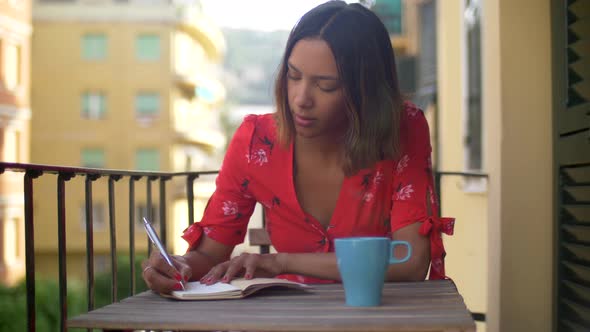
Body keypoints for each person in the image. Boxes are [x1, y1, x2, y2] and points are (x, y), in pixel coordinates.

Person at [142, 0, 454, 293]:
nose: (301, 99)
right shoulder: (255, 142)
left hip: (380, 317)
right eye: (294, 76)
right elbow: (209, 255)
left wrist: (281, 261)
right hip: (290, 318)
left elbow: (410, 262)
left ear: (365, 90)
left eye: (326, 85)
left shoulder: (402, 129)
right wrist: (177, 266)